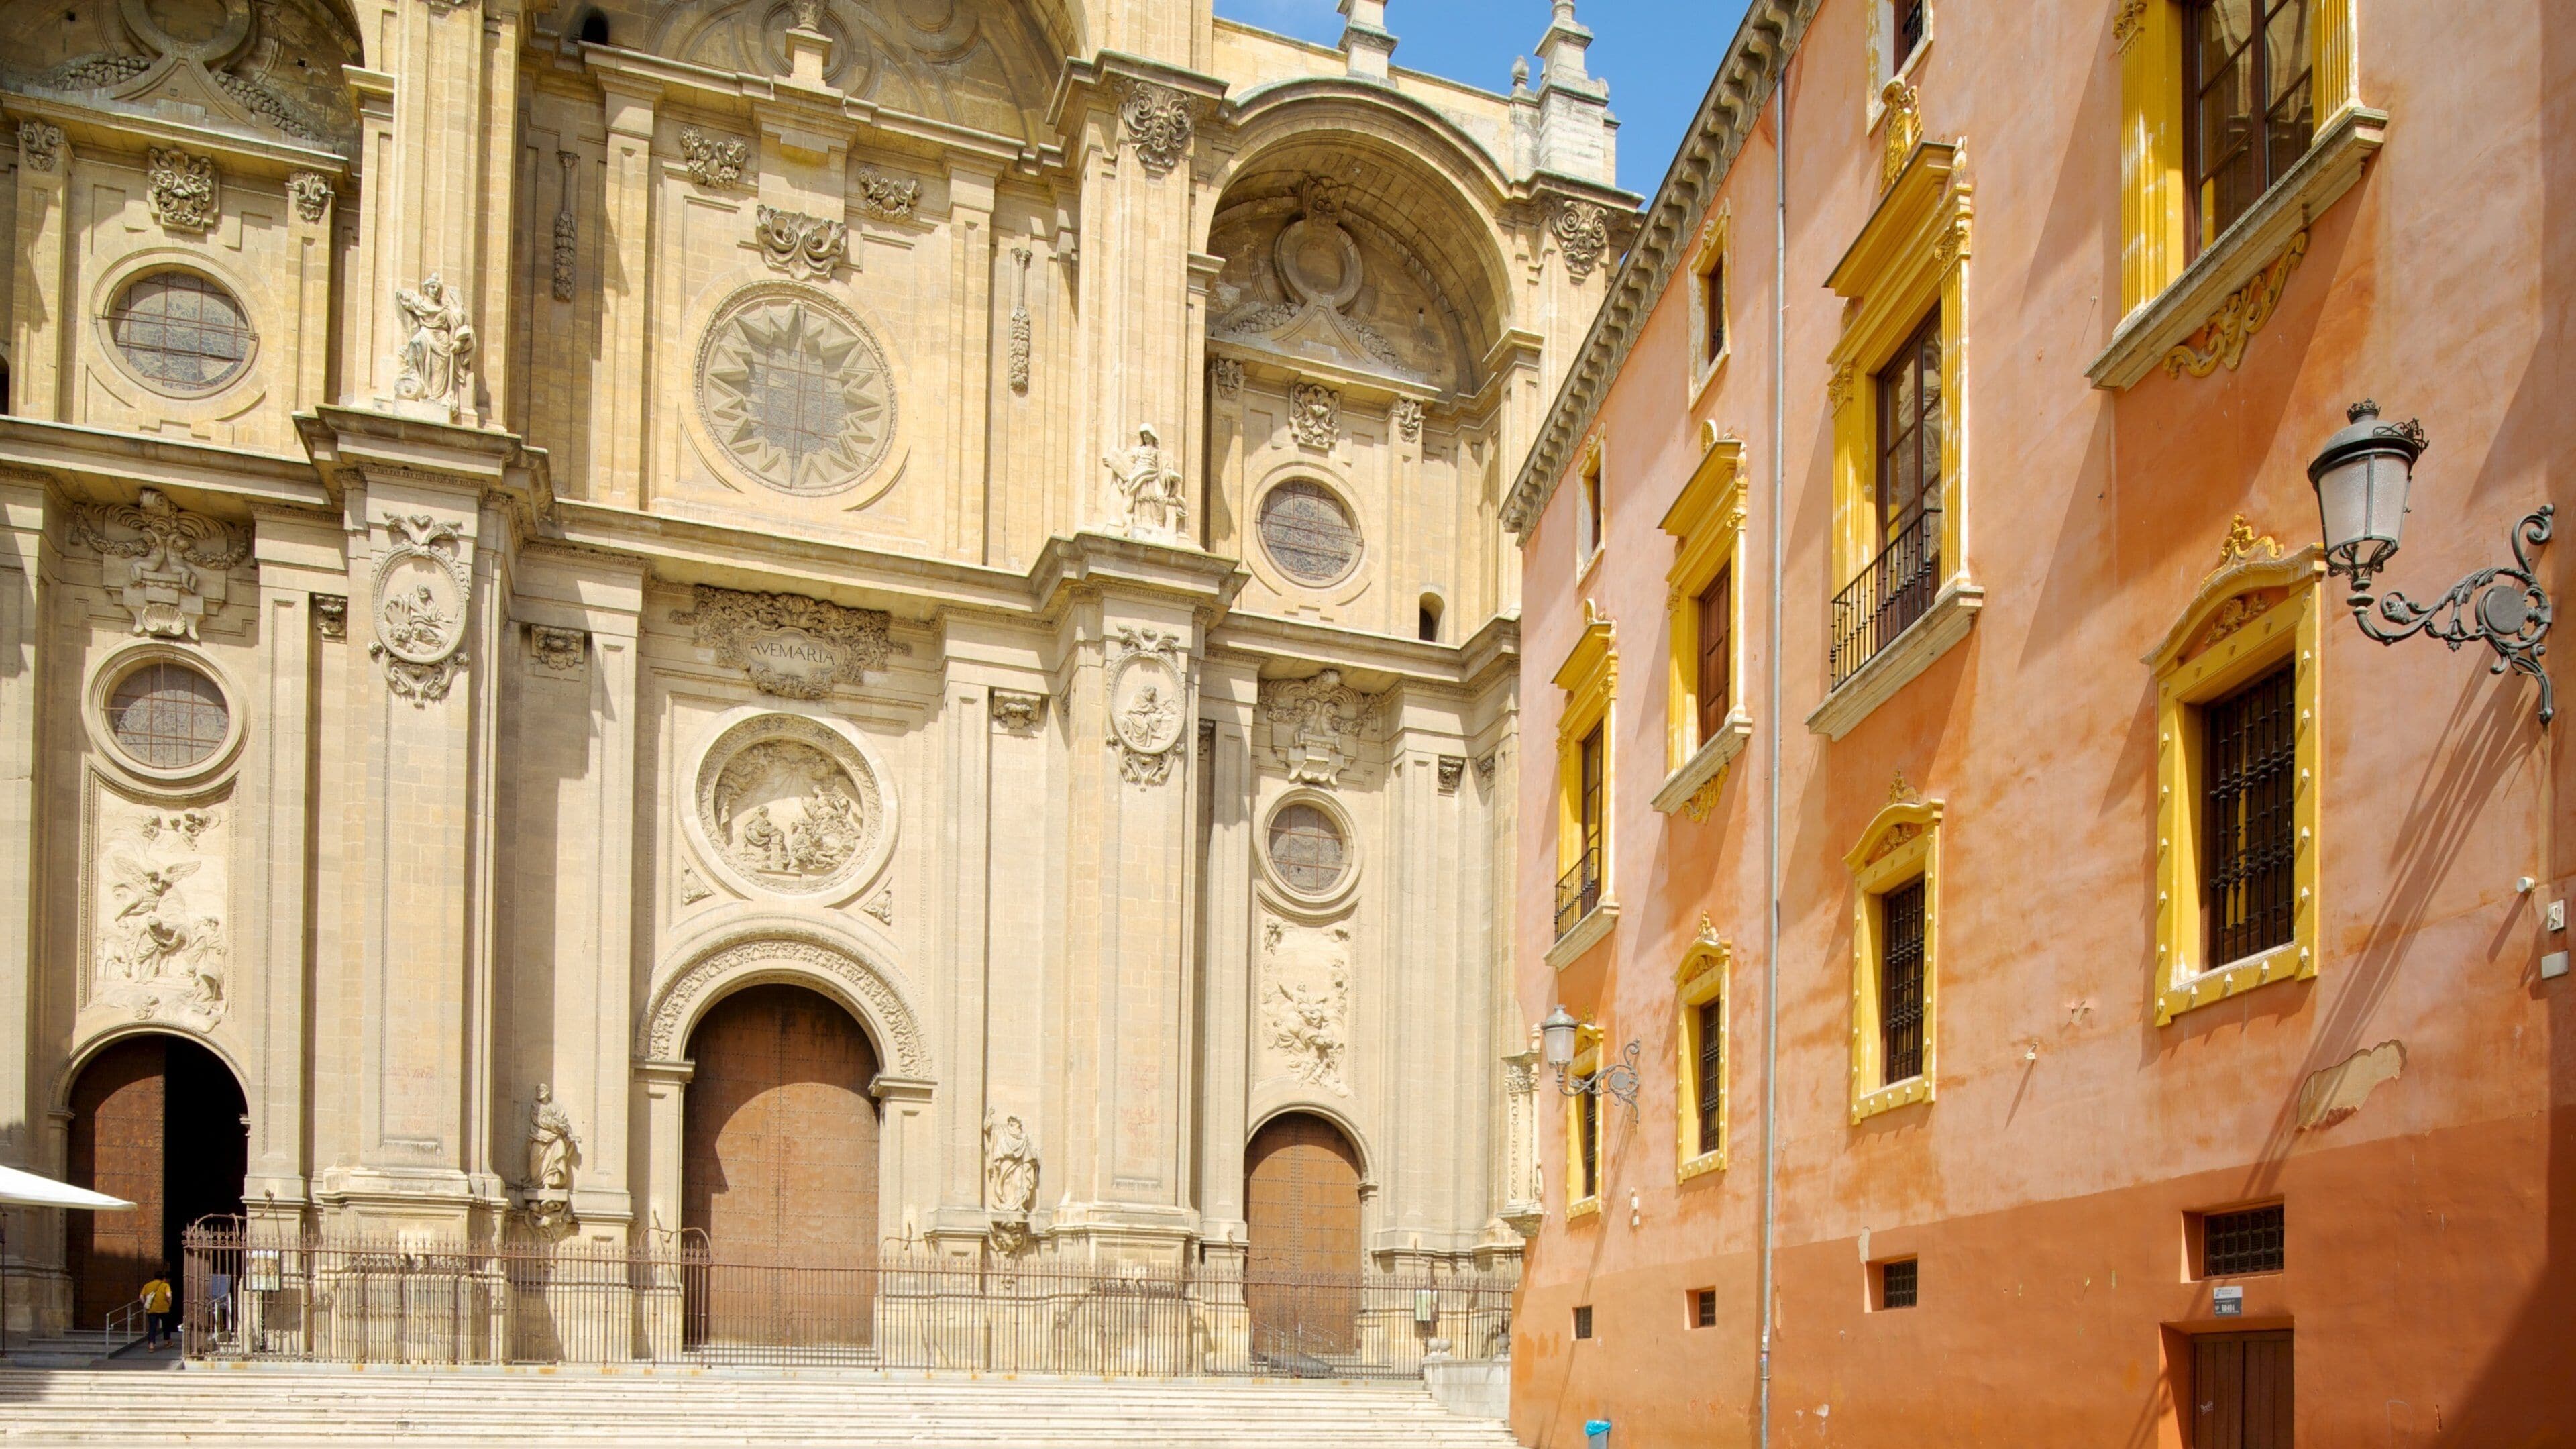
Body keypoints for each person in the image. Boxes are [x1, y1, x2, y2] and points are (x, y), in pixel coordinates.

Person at [140, 1267, 174, 1351]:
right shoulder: (165, 1285)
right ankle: (167, 1342)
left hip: (152, 1310)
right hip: (164, 1309)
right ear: (164, 1278)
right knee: (166, 1326)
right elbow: (169, 1296)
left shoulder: (147, 1285)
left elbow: (141, 1297)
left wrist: (145, 1304)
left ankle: (151, 1345)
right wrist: (169, 1303)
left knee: (152, 1327)